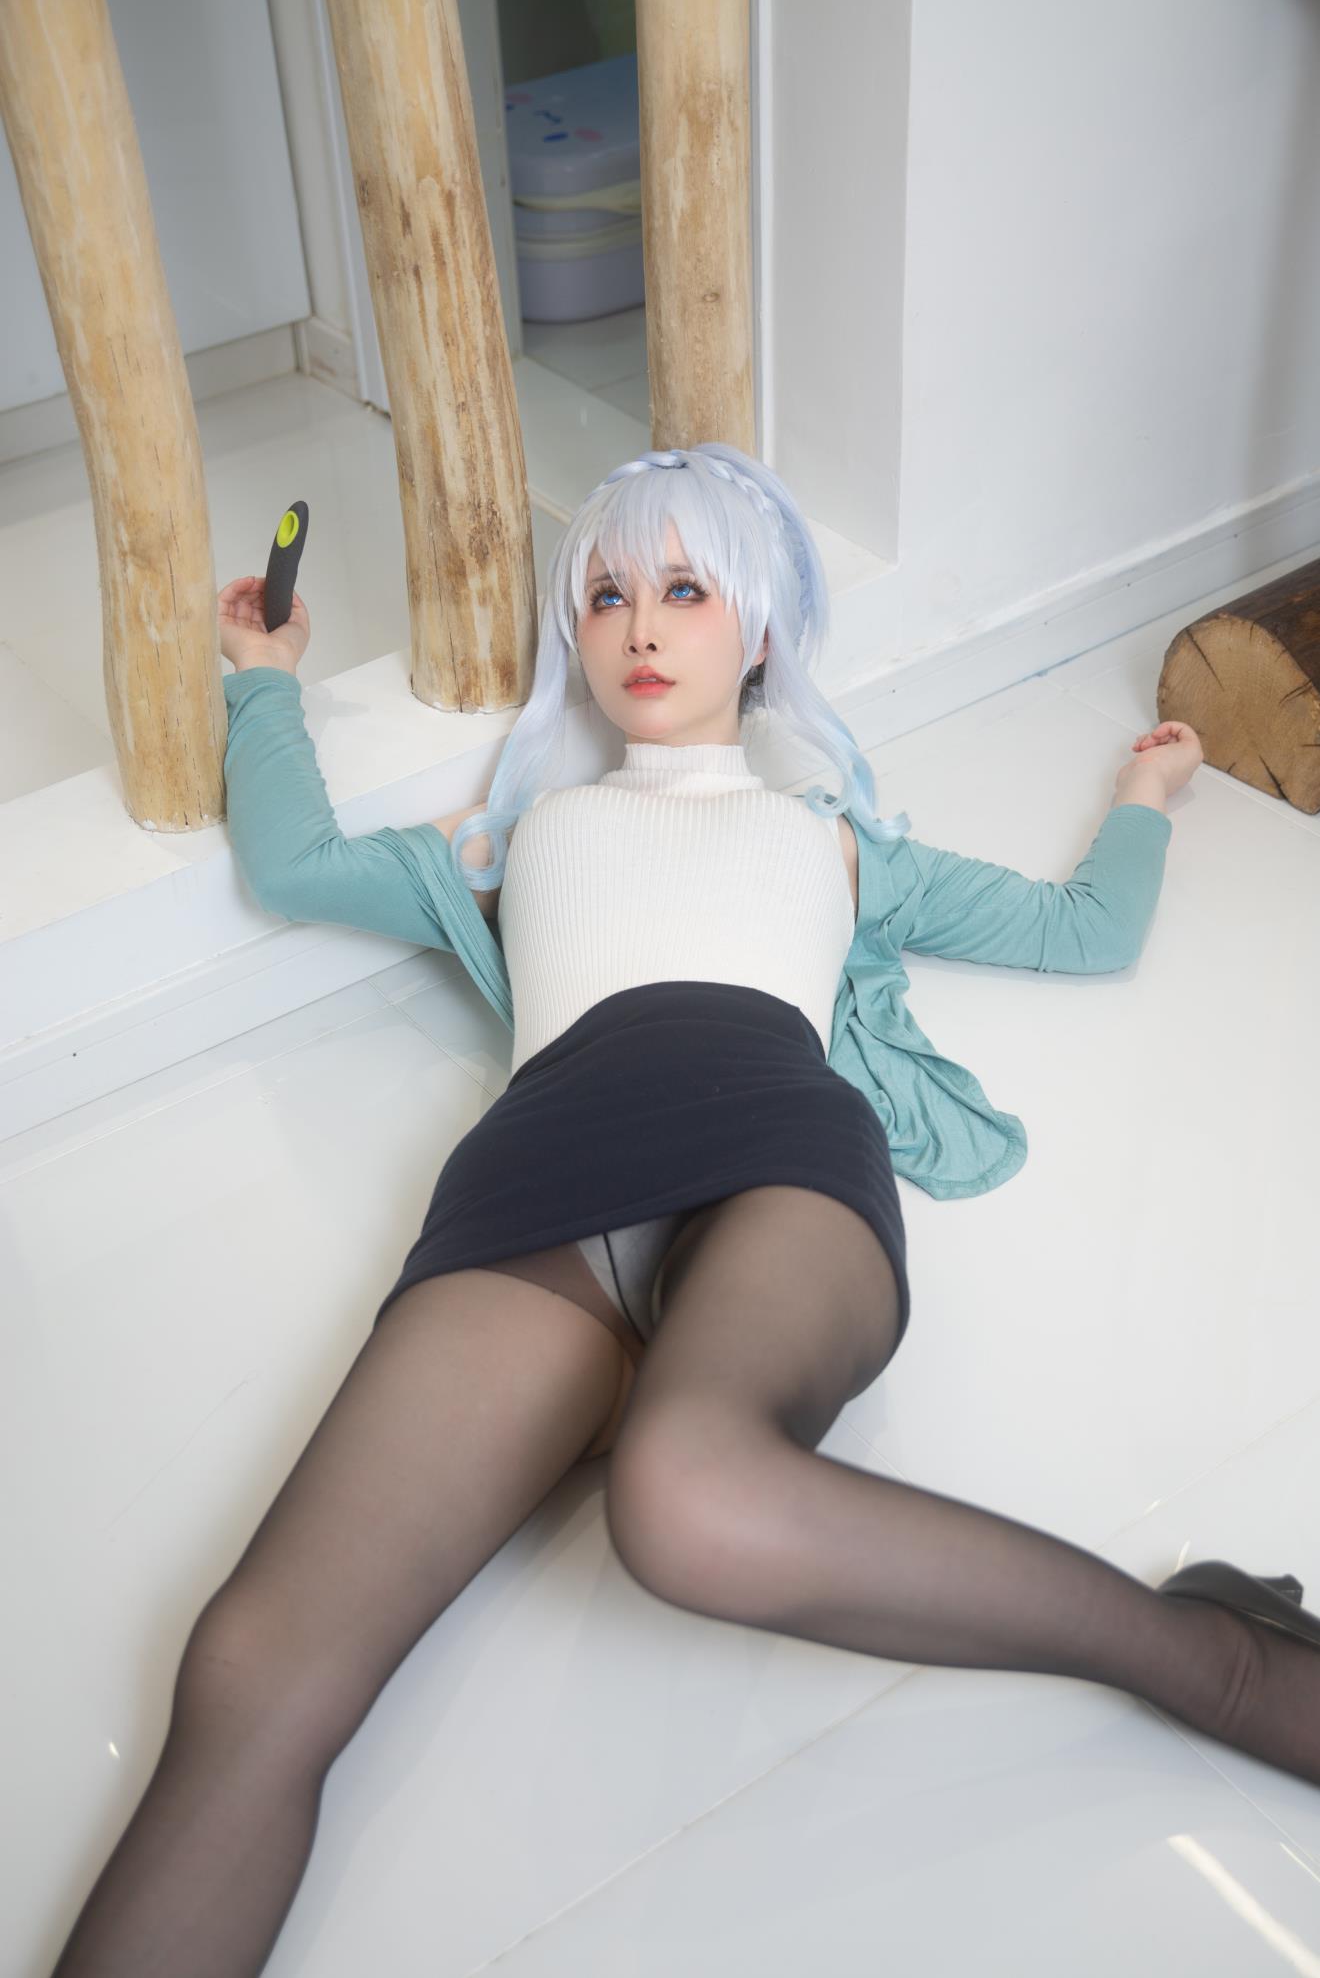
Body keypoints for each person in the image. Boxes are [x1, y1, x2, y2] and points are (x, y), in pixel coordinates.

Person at [49, 443, 1318, 1976]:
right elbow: (296, 862)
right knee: (250, 1665)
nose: (640, 626)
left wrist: (1147, 792)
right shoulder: (510, 839)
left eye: (684, 590)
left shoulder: (835, 837)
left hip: (775, 1153)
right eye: (605, 596)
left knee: (684, 1490)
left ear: (760, 630)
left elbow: (1082, 930)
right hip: (541, 1178)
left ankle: (1211, 1660)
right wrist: (264, 679)